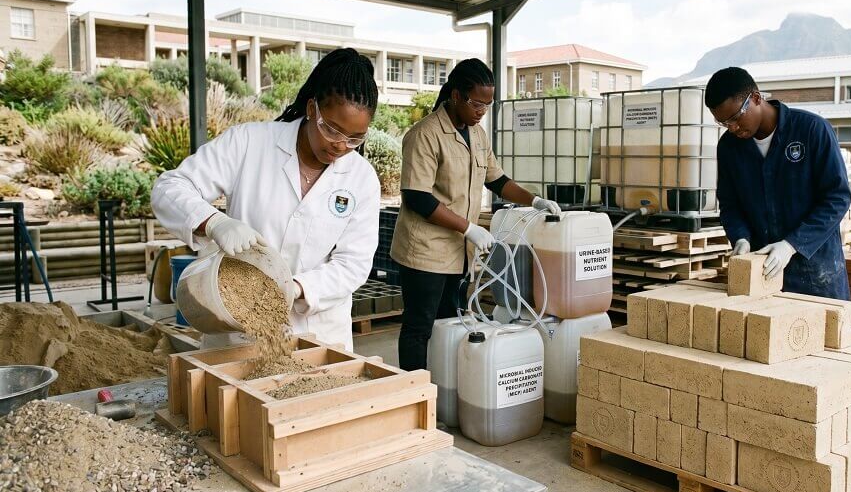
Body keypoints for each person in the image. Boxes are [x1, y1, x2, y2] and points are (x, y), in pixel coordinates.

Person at [152, 48, 381, 350]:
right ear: (312, 109)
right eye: (331, 130)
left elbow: (353, 264)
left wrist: (294, 288)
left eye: (354, 139)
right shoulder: (249, 142)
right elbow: (169, 188)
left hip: (319, 336)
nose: (340, 145)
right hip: (236, 327)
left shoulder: (361, 178)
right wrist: (214, 222)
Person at [390, 58, 561, 371]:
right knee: (420, 327)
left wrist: (534, 200)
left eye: (487, 104)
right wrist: (469, 228)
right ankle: (412, 395)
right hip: (425, 252)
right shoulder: (424, 135)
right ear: (456, 96)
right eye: (476, 103)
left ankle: (443, 391)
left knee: (450, 323)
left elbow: (497, 180)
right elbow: (417, 196)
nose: (481, 110)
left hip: (459, 252)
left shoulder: (477, 135)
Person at [706, 66, 851, 299]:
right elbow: (730, 204)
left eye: (734, 118)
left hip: (815, 273)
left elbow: (837, 198)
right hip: (762, 273)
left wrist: (791, 245)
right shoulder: (729, 147)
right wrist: (740, 238)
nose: (732, 128)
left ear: (755, 98)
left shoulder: (812, 130)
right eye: (723, 123)